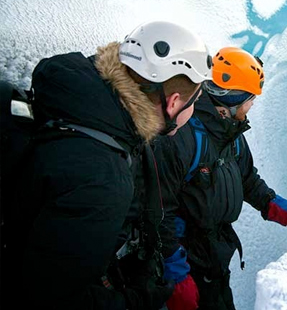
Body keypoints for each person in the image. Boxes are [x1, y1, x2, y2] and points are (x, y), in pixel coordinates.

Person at [4, 20, 212, 310]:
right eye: (194, 101)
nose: (193, 110)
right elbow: (53, 299)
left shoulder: (83, 103)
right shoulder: (103, 179)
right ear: (174, 102)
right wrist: (138, 302)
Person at [155, 47, 287, 310]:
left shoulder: (232, 138)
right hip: (186, 264)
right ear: (233, 100)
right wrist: (175, 274)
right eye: (250, 99)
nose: (252, 105)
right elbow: (159, 209)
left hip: (215, 261)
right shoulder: (185, 137)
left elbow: (249, 182)